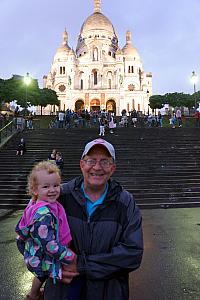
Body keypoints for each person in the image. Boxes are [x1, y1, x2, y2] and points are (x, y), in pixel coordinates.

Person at [44, 138, 143, 300]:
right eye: (91, 161)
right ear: (82, 164)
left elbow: (132, 253)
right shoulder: (59, 196)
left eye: (105, 162)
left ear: (113, 168)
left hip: (108, 293)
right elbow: (30, 238)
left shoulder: (125, 202)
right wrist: (52, 267)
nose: (97, 167)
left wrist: (81, 265)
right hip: (63, 292)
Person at [15, 161, 76, 300]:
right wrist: (69, 256)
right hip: (39, 256)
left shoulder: (37, 202)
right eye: (46, 186)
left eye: (56, 185)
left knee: (43, 275)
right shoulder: (43, 214)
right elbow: (49, 245)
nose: (53, 190)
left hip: (35, 252)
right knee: (41, 274)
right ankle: (33, 294)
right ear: (35, 190)